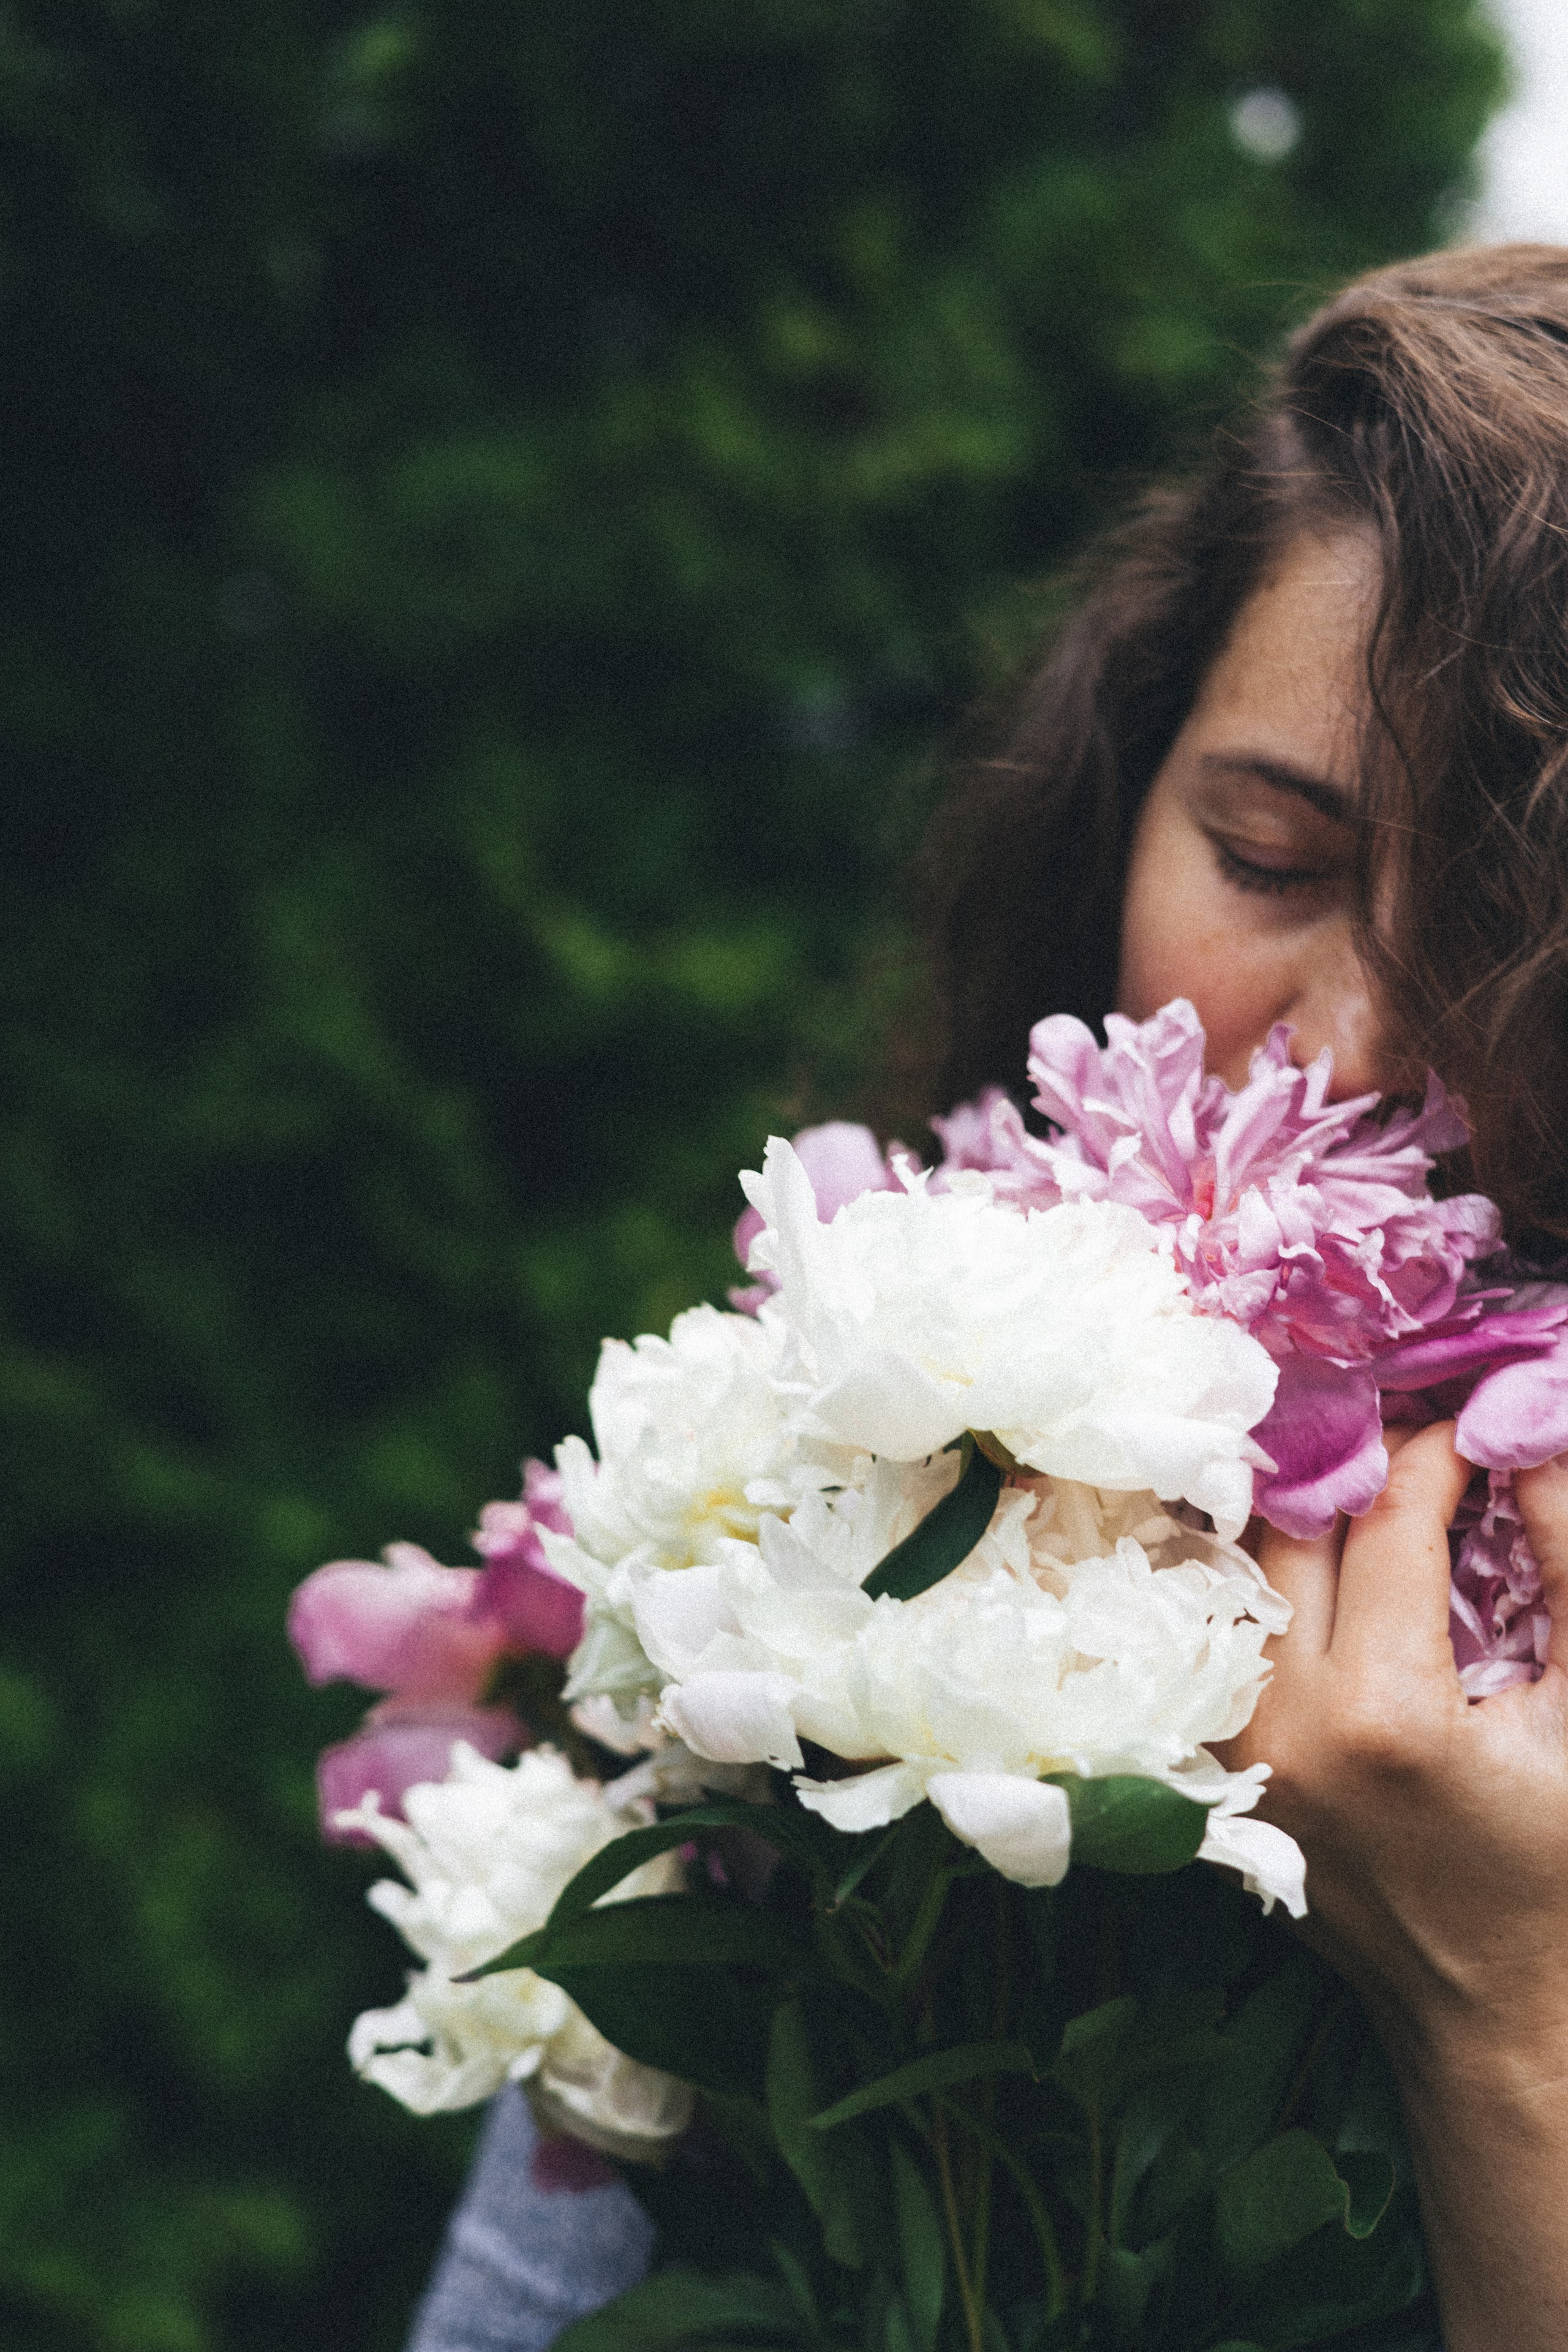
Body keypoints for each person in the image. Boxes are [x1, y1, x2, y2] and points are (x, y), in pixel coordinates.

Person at [410, 243, 1568, 2352]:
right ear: (1116, 802)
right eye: (1276, 861)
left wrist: (1511, 2021)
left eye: (1518, 944)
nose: (1357, 1049)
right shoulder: (838, 1518)